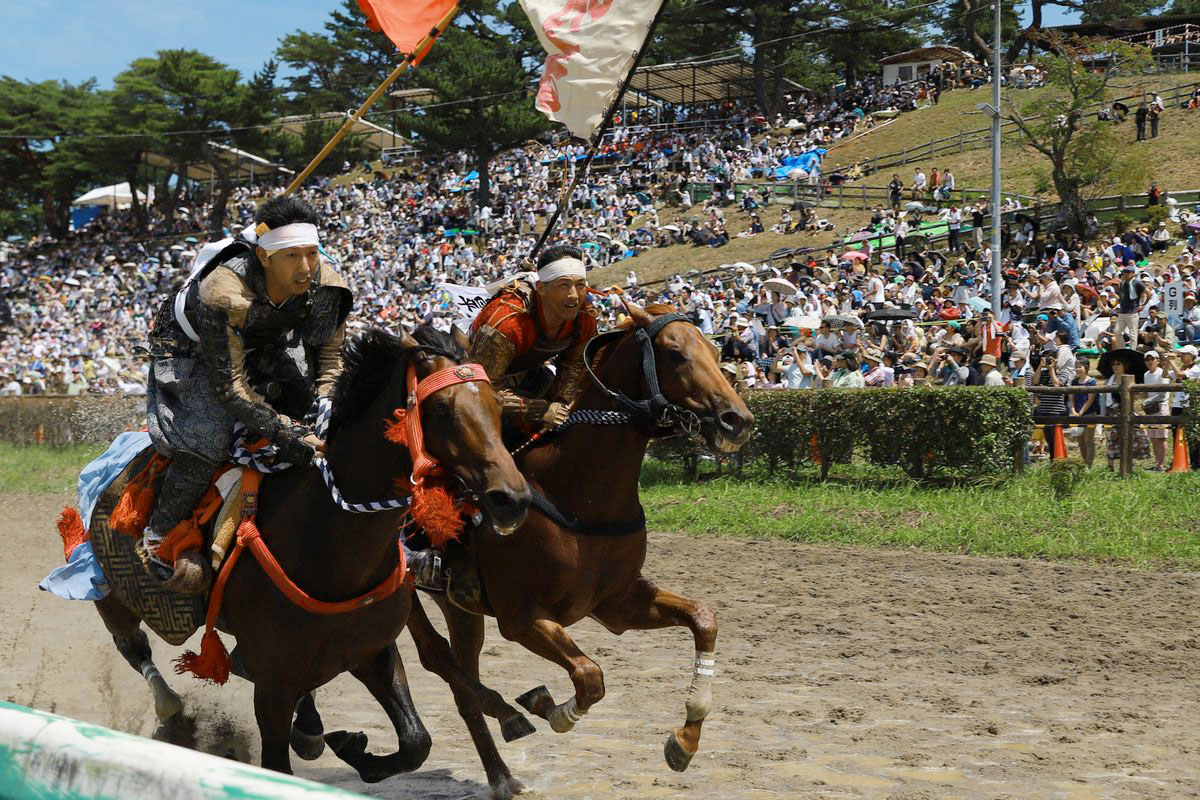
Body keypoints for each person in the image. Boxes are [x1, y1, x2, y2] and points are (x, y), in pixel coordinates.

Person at [143, 195, 352, 593]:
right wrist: (288, 434)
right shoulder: (223, 290)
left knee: (322, 415)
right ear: (264, 256)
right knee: (208, 438)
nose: (306, 268)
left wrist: (325, 402)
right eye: (292, 256)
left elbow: (330, 354)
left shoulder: (327, 282)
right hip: (196, 350)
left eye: (311, 253)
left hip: (268, 339)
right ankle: (158, 535)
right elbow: (231, 388)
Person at [467, 244, 597, 436]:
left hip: (533, 376)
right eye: (563, 285)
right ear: (541, 288)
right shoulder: (509, 321)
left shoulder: (585, 314)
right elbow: (480, 388)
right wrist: (540, 410)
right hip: (478, 382)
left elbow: (574, 364)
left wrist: (560, 404)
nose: (574, 295)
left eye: (580, 285)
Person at [1142, 350, 1170, 470]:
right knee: (1153, 437)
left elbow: (1163, 393)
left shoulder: (1162, 373)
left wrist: (1147, 401)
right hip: (1150, 408)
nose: (1149, 362)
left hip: (1161, 406)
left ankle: (1161, 464)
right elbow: (1147, 392)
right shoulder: (1146, 374)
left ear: (1157, 360)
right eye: (1147, 359)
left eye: (1151, 359)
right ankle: (1157, 463)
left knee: (1161, 437)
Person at [1070, 358, 1097, 467]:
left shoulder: (1092, 382)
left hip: (1089, 414)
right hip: (1077, 414)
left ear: (1086, 368)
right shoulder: (1074, 382)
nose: (1077, 368)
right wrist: (1073, 411)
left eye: (1080, 366)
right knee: (1080, 441)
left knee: (1088, 440)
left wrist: (1080, 412)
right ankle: (1084, 462)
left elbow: (1090, 400)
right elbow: (1071, 399)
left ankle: (1088, 465)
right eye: (1076, 366)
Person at [1114, 264, 1146, 347]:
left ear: (1133, 273)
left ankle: (1132, 351)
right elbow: (1121, 297)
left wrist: (1143, 304)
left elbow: (1148, 294)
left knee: (1133, 334)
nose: (1125, 273)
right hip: (1122, 312)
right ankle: (1122, 349)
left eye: (1128, 272)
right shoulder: (1122, 283)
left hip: (1132, 312)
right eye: (1124, 272)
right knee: (1117, 332)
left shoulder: (1137, 283)